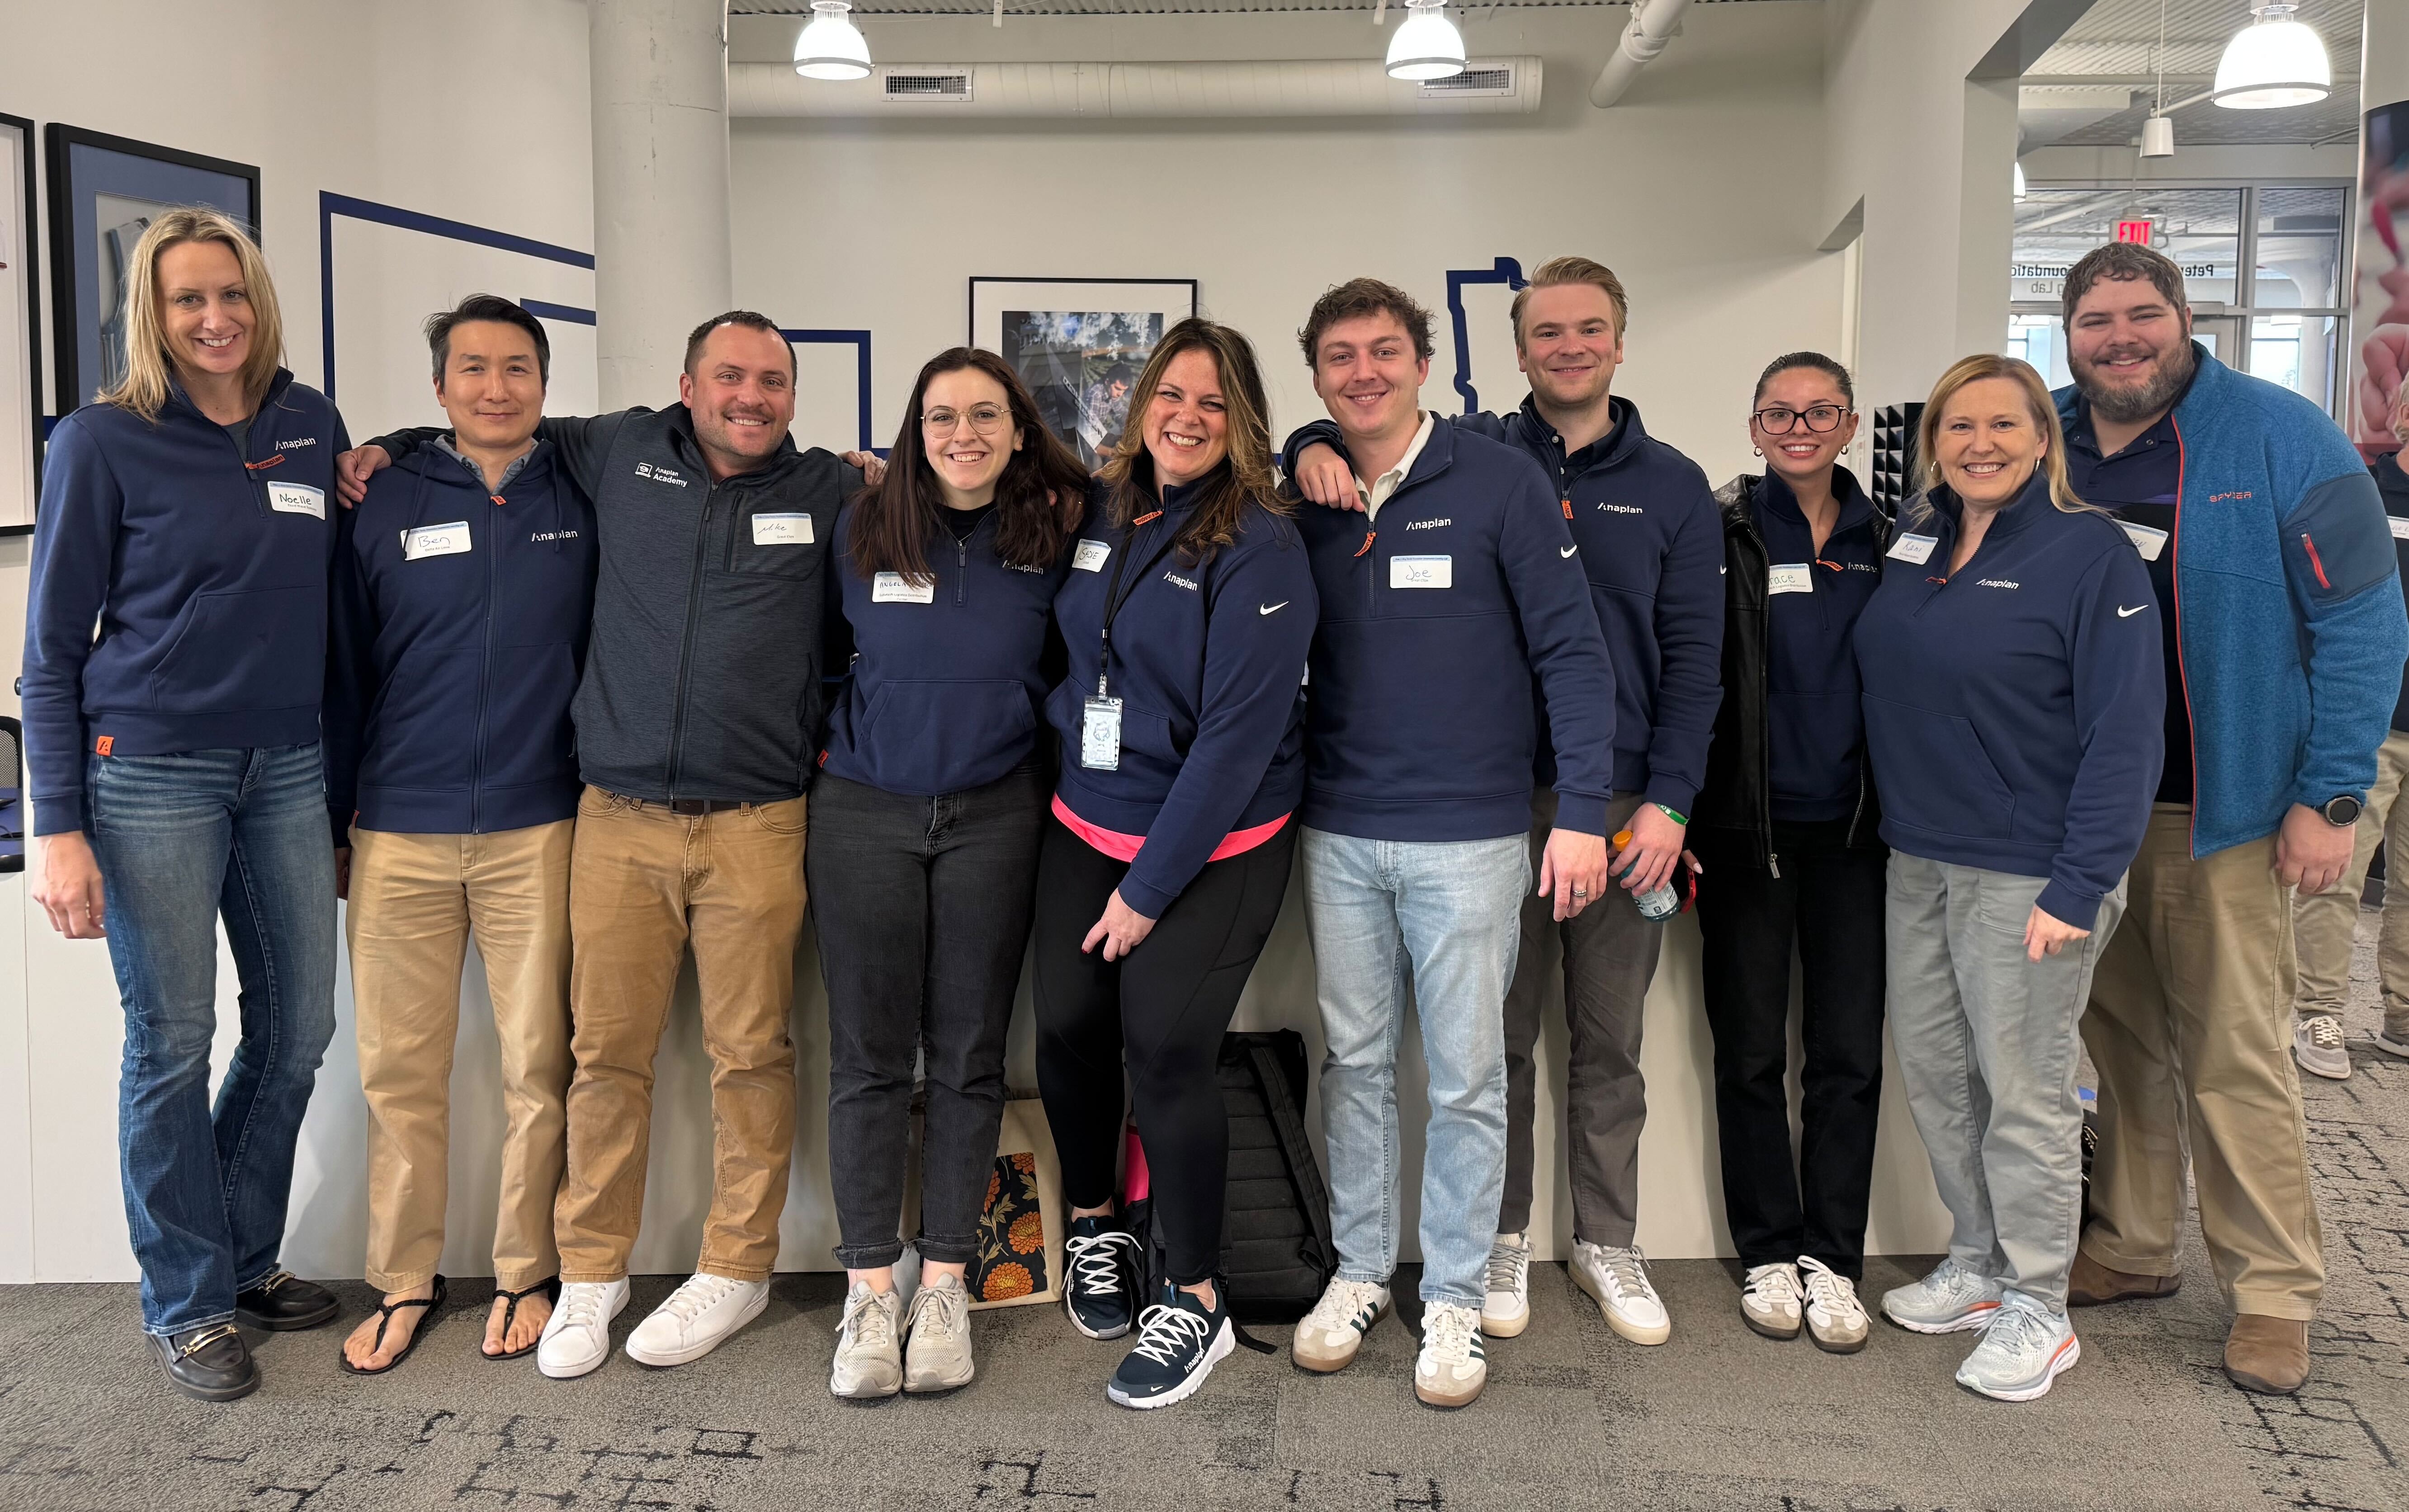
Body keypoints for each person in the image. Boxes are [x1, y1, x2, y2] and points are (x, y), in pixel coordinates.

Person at [337, 312, 860, 1380]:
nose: (748, 396)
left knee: (751, 1055)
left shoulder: (830, 492)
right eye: (728, 375)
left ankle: (736, 1264)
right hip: (615, 817)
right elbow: (487, 424)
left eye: (771, 380)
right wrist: (382, 445)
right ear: (686, 383)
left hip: (760, 820)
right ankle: (590, 1273)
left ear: (796, 397)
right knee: (599, 1058)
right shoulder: (617, 448)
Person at [1285, 258, 1721, 1347]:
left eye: (1387, 351)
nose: (1366, 371)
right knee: (1358, 1064)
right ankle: (1359, 1270)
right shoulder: (1305, 496)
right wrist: (1302, 447)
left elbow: (1577, 654)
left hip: (1479, 832)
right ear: (1319, 379)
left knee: (1476, 1076)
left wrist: (1584, 810)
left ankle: (1452, 1299)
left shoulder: (1498, 480)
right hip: (1339, 828)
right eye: (1341, 357)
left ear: (1427, 365)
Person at [2054, 242, 2409, 1396]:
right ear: (2068, 333)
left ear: (2184, 317)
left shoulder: (2280, 434)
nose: (2121, 338)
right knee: (2119, 1046)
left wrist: (2332, 794)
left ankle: (2274, 1291)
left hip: (2227, 812)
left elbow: (2364, 623)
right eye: (2097, 319)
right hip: (2084, 816)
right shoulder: (2045, 433)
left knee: (2236, 1051)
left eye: (2141, 316)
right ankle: (2134, 1243)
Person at [24, 208, 346, 1401]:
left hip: (290, 767)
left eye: (234, 296)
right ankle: (187, 1299)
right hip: (149, 769)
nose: (215, 320)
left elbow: (340, 596)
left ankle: (240, 1255)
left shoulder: (309, 422)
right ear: (151, 317)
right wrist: (58, 825)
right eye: (186, 300)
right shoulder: (102, 442)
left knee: (300, 1028)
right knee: (171, 1042)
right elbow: (50, 652)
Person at [1860, 354, 2162, 1402]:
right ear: (1934, 441)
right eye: (1958, 427)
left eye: (2002, 425)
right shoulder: (1917, 541)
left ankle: (2041, 1302)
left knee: (2025, 1092)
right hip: (1921, 856)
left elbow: (2127, 736)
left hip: (2032, 868)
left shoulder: (2093, 554)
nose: (1978, 444)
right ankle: (1981, 1262)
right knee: (1943, 1078)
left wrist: (2079, 884)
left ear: (2044, 438)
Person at [1032, 319, 1317, 1410]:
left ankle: (1194, 1297)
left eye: (1214, 402)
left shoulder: (1264, 544)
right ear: (1141, 401)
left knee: (1162, 1048)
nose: (1188, 418)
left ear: (1242, 420)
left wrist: (1147, 891)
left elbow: (1239, 741)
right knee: (1065, 1026)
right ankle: (1098, 1224)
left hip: (1215, 837)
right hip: (1085, 813)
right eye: (1172, 395)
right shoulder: (1105, 505)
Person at [323, 296, 596, 1372]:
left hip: (543, 822)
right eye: (474, 368)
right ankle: (404, 1278)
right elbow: (342, 671)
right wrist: (337, 818)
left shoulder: (582, 490)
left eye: (518, 367)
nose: (496, 387)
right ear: (438, 387)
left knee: (541, 1067)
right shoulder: (382, 496)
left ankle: (528, 1268)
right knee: (400, 1071)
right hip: (398, 826)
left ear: (543, 382)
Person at [814, 348, 1086, 1400]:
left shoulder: (1057, 531)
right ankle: (868, 1288)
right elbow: (820, 658)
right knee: (870, 1057)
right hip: (864, 811)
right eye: (940, 416)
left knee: (971, 1052)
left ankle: (943, 1282)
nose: (962, 433)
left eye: (985, 415)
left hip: (996, 812)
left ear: (1020, 428)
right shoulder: (863, 524)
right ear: (911, 432)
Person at [1690, 352, 1887, 1353]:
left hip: (1861, 836)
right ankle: (1769, 1247)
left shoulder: (1896, 539)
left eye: (1819, 411)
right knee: (1754, 1051)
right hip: (1744, 833)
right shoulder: (1723, 529)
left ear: (1850, 424)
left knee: (1849, 1056)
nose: (1799, 425)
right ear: (1756, 423)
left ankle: (1834, 1258)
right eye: (1780, 411)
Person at [2292, 374, 2409, 1076]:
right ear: (2400, 416)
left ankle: (2402, 1012)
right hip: (2374, 727)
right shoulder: (2360, 496)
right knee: (2336, 876)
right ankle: (2319, 1012)